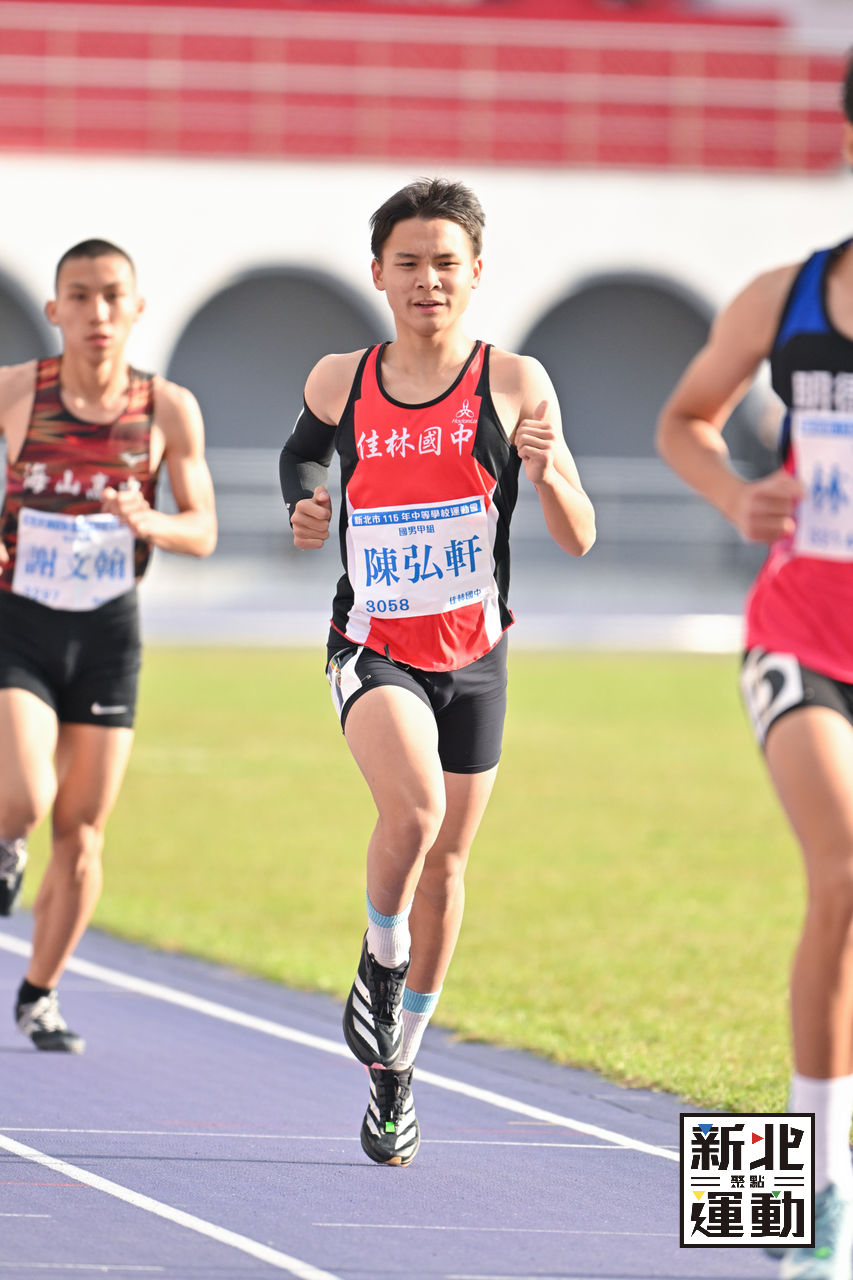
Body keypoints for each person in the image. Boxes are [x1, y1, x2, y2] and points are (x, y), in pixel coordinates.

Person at [280, 177, 595, 1165]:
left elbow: (579, 534)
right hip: (373, 644)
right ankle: (380, 960)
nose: (427, 280)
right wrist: (306, 504)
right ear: (378, 272)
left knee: (449, 864)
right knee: (413, 813)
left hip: (476, 654)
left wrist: (546, 471)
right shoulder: (342, 378)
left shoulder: (515, 382)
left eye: (445, 263)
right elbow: (300, 458)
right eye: (408, 262)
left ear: (476, 272)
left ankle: (398, 1072)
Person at [656, 58, 853, 1280]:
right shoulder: (785, 299)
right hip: (802, 637)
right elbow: (683, 417)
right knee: (843, 869)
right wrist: (736, 493)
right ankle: (806, 1198)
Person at [0, 238, 217, 1053]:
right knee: (26, 797)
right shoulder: (20, 391)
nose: (98, 312)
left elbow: (203, 529)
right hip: (19, 620)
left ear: (137, 308)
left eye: (112, 295)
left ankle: (40, 993)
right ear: (54, 309)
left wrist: (148, 520)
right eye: (81, 295)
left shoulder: (167, 408)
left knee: (83, 831)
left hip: (107, 632)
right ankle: (6, 842)